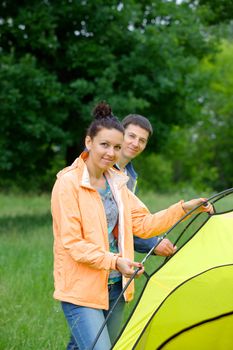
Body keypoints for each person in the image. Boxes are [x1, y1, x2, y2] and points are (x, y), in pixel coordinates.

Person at [51, 102, 213, 350]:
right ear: (88, 142)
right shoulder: (68, 183)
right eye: (104, 144)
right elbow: (72, 243)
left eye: (116, 147)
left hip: (117, 286)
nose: (111, 152)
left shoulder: (117, 182)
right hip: (81, 288)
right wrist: (116, 261)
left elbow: (145, 224)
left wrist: (184, 208)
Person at [117, 113, 176, 256]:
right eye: (131, 136)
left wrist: (155, 243)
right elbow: (113, 223)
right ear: (120, 134)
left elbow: (129, 221)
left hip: (118, 261)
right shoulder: (100, 168)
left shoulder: (131, 177)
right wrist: (152, 244)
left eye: (142, 140)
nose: (136, 144)